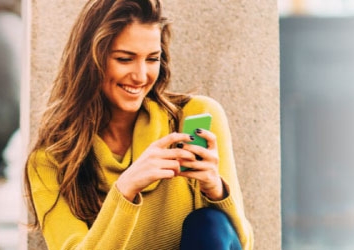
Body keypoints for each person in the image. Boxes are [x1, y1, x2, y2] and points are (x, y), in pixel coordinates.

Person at [24, 0, 254, 249]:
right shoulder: (51, 161)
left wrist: (216, 191)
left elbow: (240, 243)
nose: (141, 75)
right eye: (125, 59)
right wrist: (124, 190)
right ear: (91, 60)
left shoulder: (194, 117)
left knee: (210, 222)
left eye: (152, 59)